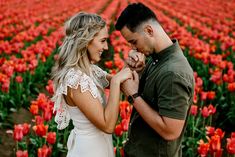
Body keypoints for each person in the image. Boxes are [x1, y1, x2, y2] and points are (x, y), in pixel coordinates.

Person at [51, 12, 143, 157]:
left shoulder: (89, 71)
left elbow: (117, 79)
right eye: (103, 41)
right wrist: (117, 82)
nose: (106, 47)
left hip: (98, 146)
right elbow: (108, 125)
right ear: (86, 41)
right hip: (89, 150)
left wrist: (130, 63)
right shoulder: (76, 80)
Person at [115, 2, 195, 157]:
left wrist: (134, 96)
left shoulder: (173, 73)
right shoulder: (156, 60)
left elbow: (170, 131)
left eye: (134, 41)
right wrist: (135, 70)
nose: (133, 48)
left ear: (149, 30)